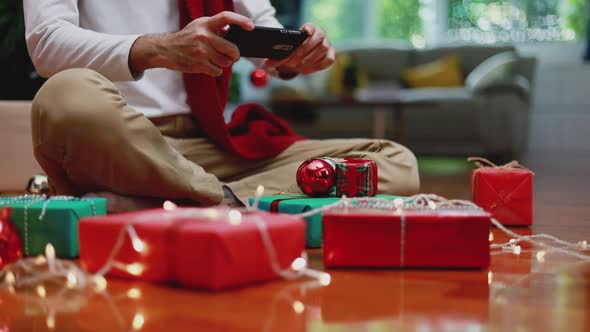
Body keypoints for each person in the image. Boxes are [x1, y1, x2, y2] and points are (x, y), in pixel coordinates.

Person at [23, 0, 419, 212]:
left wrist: (302, 53)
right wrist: (160, 49)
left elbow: (265, 32)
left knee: (391, 160)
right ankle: (222, 202)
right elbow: (46, 42)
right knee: (66, 95)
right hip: (122, 140)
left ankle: (164, 204)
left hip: (207, 147)